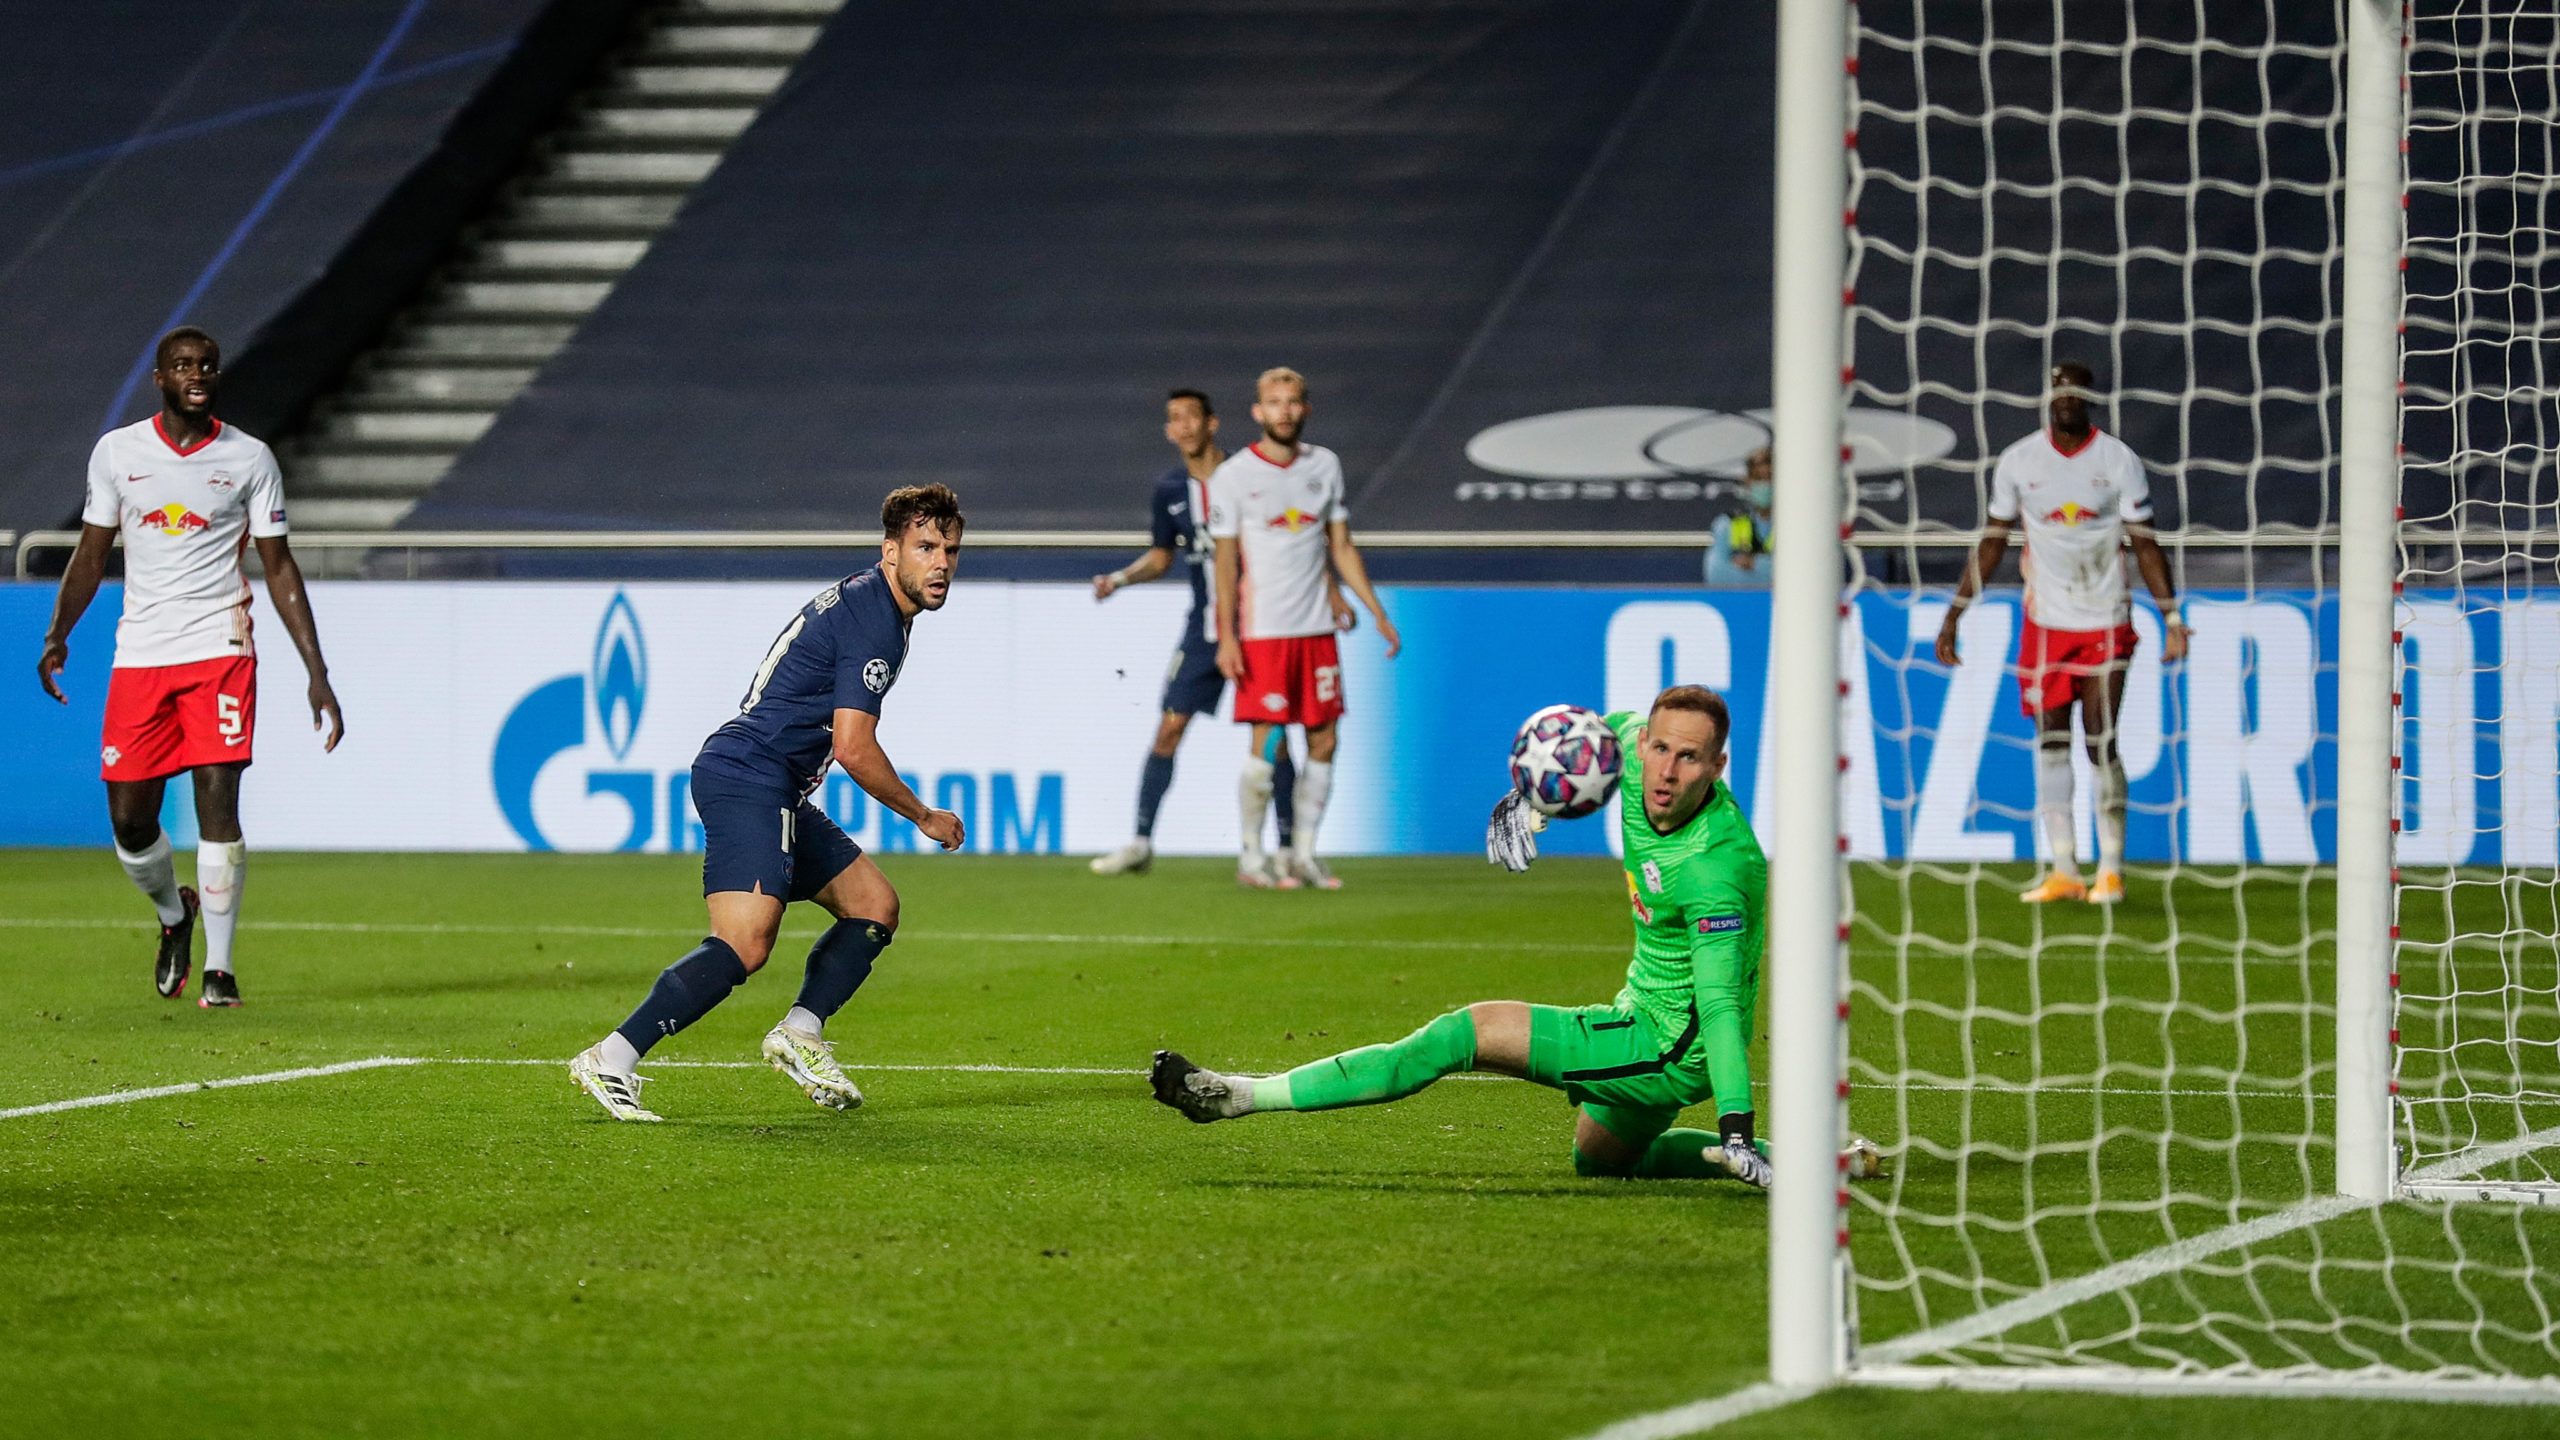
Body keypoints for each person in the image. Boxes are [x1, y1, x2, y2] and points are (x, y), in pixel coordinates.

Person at [1151, 686, 1881, 1187]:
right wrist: (1528, 803)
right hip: (1643, 1012)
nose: (1664, 769)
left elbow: (1722, 1008)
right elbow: (1574, 753)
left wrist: (1733, 1122)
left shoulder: (1718, 867)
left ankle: (1237, 1096)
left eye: (1689, 758)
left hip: (1669, 1045)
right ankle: (1819, 1167)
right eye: (1660, 747)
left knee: (1457, 1035)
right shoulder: (1627, 745)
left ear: (1718, 767)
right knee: (1601, 1163)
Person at [569, 485, 970, 1122]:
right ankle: (612, 1057)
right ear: (890, 551)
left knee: (874, 906)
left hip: (773, 782)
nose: (941, 562)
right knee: (744, 943)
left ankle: (800, 1032)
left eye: (950, 548)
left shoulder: (878, 606)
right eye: (925, 547)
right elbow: (854, 748)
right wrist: (924, 815)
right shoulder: (875, 618)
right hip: (747, 774)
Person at [36, 326, 344, 1008]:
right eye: (182, 365)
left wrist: (315, 670)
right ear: (160, 378)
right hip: (142, 653)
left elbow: (279, 564)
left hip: (220, 648)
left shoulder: (250, 459)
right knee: (131, 821)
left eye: (206, 364)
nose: (196, 374)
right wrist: (58, 631)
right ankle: (176, 916)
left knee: (217, 804)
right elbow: (92, 554)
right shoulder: (117, 454)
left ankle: (221, 970)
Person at [1936, 361, 2188, 904]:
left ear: (2089, 398)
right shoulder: (2019, 462)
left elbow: (2145, 543)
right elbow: (1993, 540)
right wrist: (1955, 613)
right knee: (2051, 742)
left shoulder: (2118, 461)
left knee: (2101, 741)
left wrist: (2170, 618)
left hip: (2106, 618)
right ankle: (2064, 868)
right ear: (2049, 396)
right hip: (2046, 624)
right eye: (2059, 389)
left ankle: (2112, 869)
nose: (2067, 398)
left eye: (2076, 390)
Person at [1087, 388, 1305, 874]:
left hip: (1259, 627)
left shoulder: (1248, 477)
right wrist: (1119, 579)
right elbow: (1163, 556)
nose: (1183, 427)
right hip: (1204, 631)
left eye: (1191, 417)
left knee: (1275, 738)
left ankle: (1289, 848)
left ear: (1212, 423)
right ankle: (1140, 842)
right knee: (1169, 726)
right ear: (1168, 431)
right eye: (1174, 419)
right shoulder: (1169, 489)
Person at [1206, 367, 1400, 890]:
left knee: (1324, 739)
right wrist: (1226, 635)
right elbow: (1225, 563)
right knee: (1266, 745)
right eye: (1274, 402)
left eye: (1293, 402)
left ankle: (1303, 854)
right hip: (1264, 632)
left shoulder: (1325, 466)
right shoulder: (1235, 476)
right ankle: (1251, 856)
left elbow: (1338, 544)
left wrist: (1375, 610)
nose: (1284, 411)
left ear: (1305, 409)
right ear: (1258, 411)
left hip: (1317, 631)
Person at [1703, 446, 1774, 588]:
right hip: (1741, 605)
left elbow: (1807, 575)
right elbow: (1716, 575)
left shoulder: (1796, 525)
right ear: (1747, 482)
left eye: (1769, 478)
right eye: (1758, 479)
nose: (1765, 485)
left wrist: (1756, 564)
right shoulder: (1729, 524)